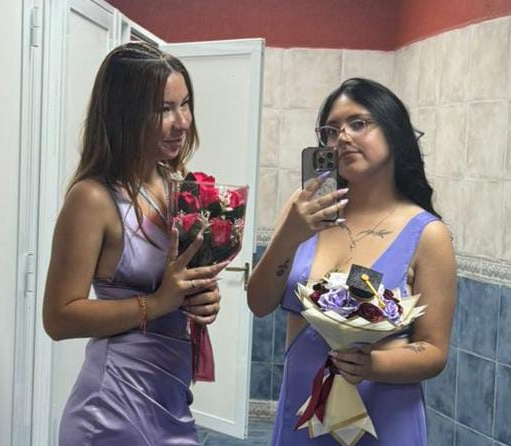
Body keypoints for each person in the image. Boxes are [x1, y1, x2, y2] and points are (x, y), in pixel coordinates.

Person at [247, 78, 456, 445]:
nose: (342, 137)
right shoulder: (304, 212)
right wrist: (288, 235)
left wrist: (371, 365)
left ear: (394, 131)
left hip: (383, 413)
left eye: (358, 123)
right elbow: (259, 303)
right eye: (331, 130)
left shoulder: (427, 234)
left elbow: (434, 350)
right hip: (304, 411)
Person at [42, 41, 227, 446]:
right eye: (163, 109)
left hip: (170, 398)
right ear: (123, 114)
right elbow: (58, 318)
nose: (182, 122)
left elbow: (174, 285)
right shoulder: (93, 198)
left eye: (185, 104)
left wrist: (200, 298)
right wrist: (158, 303)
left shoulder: (175, 183)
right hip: (112, 409)